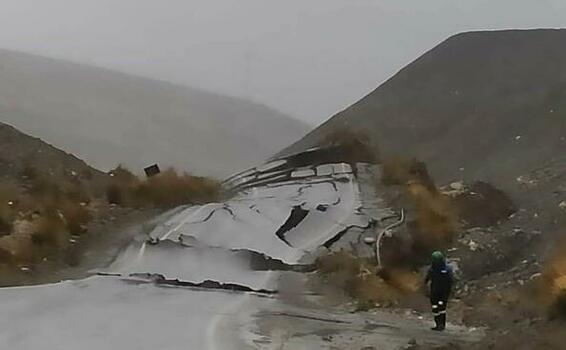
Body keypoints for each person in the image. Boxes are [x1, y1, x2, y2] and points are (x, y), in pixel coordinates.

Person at [424, 251, 453, 331]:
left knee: (441, 308)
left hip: (443, 293)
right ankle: (438, 324)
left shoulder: (446, 270)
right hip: (435, 292)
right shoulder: (432, 269)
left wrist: (450, 291)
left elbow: (451, 281)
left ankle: (441, 325)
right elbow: (426, 280)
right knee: (435, 308)